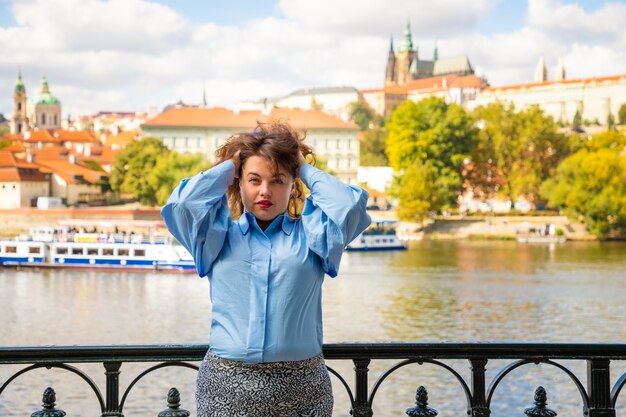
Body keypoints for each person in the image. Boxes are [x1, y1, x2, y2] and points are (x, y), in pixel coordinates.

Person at [161, 120, 371, 417]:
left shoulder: (315, 236)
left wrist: (302, 167)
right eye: (254, 180)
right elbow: (182, 204)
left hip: (303, 391)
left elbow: (350, 206)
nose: (265, 191)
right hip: (225, 388)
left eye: (278, 180)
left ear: (292, 185)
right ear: (239, 183)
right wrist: (230, 165)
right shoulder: (215, 236)